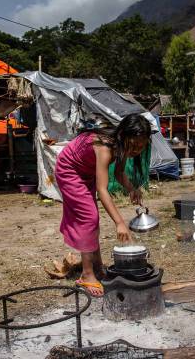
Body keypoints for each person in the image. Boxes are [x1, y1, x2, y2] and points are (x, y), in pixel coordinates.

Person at [55, 113, 152, 297]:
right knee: (89, 217)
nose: (137, 151)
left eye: (141, 147)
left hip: (86, 171)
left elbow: (119, 172)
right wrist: (119, 223)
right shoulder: (105, 148)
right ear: (123, 135)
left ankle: (98, 267)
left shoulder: (122, 147)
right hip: (70, 170)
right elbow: (103, 190)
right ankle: (87, 274)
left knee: (92, 218)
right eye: (134, 145)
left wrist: (132, 188)